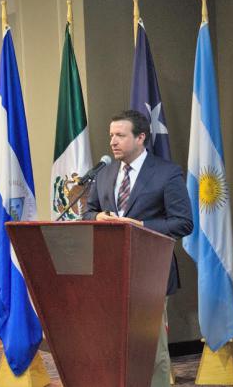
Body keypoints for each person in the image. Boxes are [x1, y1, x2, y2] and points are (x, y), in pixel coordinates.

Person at [83, 109, 193, 387]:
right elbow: (88, 212)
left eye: (120, 135)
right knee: (112, 346)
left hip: (150, 274)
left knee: (152, 349)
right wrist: (97, 217)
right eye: (111, 136)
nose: (113, 142)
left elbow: (183, 223)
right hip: (109, 273)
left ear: (141, 137)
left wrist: (141, 224)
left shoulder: (167, 173)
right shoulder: (105, 173)